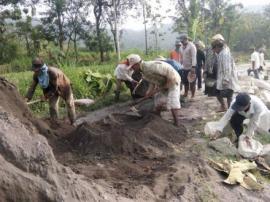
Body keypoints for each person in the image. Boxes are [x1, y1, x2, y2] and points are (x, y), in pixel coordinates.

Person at [128, 54, 181, 126]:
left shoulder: (151, 66)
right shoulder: (143, 71)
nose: (132, 69)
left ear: (137, 64)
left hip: (173, 80)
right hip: (163, 83)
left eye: (132, 67)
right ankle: (157, 117)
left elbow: (170, 74)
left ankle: (176, 123)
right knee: (158, 100)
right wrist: (148, 93)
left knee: (172, 101)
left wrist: (164, 87)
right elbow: (152, 81)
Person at [25, 58, 76, 124]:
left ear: (41, 69)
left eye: (37, 70)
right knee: (52, 106)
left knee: (69, 104)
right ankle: (55, 123)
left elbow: (54, 88)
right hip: (50, 89)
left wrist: (45, 96)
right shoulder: (36, 75)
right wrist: (27, 98)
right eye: (34, 70)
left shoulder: (52, 73)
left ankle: (73, 122)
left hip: (64, 86)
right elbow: (32, 87)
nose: (35, 72)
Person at [211, 34, 239, 112]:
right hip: (223, 77)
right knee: (219, 92)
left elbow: (227, 68)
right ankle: (225, 107)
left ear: (217, 47)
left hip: (228, 78)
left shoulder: (225, 54)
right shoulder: (222, 52)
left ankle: (230, 110)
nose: (214, 50)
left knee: (228, 95)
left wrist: (226, 79)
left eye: (214, 48)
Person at [179, 34, 197, 99]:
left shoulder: (192, 46)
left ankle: (193, 95)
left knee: (192, 82)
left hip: (192, 67)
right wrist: (180, 64)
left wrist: (193, 67)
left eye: (182, 41)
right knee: (185, 81)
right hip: (184, 67)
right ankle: (186, 93)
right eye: (181, 41)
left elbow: (194, 57)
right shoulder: (181, 47)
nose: (181, 42)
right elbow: (181, 57)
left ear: (186, 39)